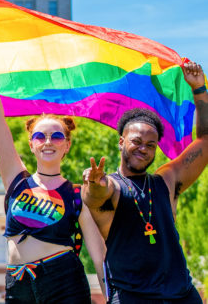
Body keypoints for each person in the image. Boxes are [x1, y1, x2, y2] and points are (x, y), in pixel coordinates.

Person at [0, 31, 106, 303]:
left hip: (64, 282)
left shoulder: (77, 196)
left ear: (67, 145)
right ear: (31, 144)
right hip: (18, 284)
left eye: (57, 136)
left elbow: (99, 258)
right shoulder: (17, 182)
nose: (48, 141)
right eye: (40, 136)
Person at [82, 62, 207, 303]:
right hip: (132, 297)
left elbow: (205, 140)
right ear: (121, 142)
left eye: (151, 145)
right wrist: (94, 183)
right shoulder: (112, 186)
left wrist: (199, 89)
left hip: (181, 295)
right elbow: (95, 196)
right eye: (136, 141)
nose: (143, 149)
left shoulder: (167, 180)